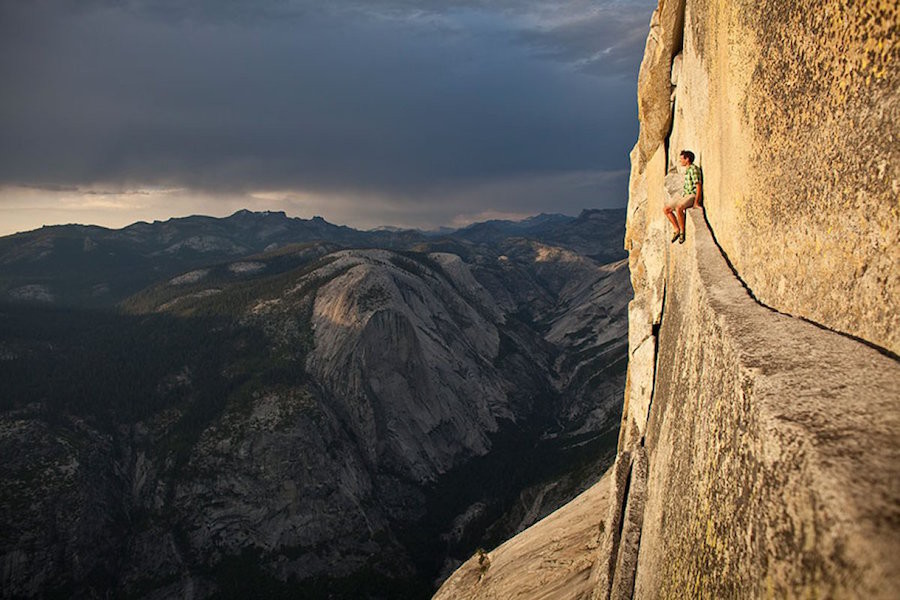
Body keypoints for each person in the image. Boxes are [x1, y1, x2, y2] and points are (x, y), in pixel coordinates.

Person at [664, 150, 702, 244]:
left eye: (682, 159)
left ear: (687, 159)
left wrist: (696, 202)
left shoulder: (693, 169)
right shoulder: (688, 170)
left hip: (692, 195)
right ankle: (676, 229)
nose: (680, 161)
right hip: (685, 195)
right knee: (666, 209)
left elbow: (698, 186)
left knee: (679, 208)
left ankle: (682, 231)